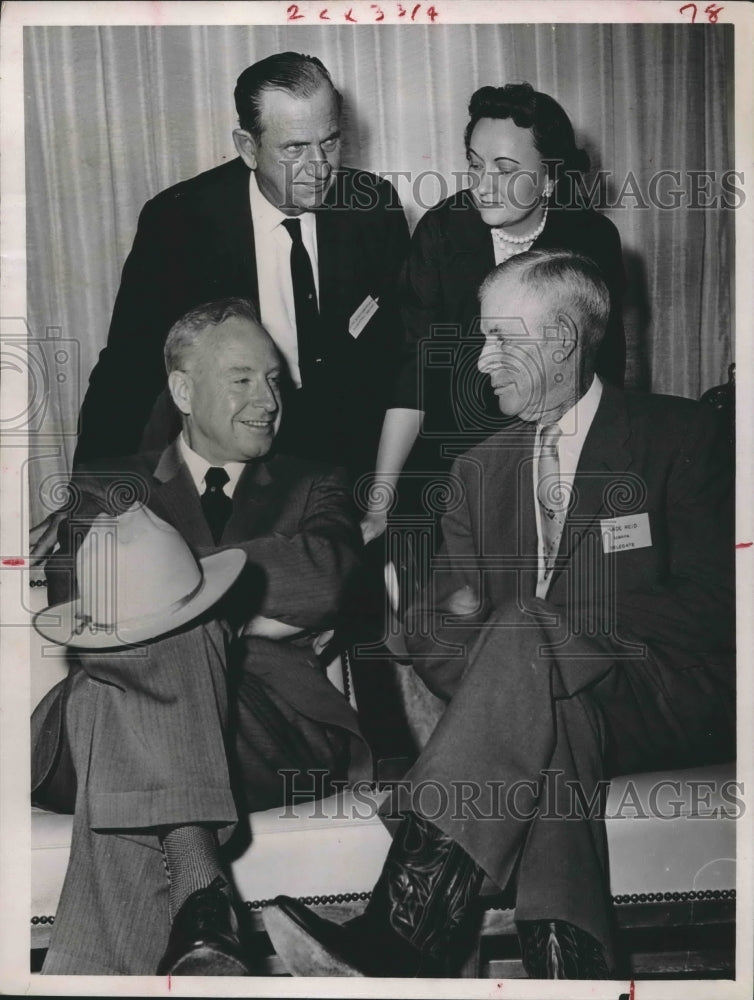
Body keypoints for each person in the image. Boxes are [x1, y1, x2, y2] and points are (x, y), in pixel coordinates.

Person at [261, 250, 734, 979]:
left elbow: (715, 606)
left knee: (523, 629)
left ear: (564, 341)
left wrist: (542, 628)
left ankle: (405, 923)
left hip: (662, 696)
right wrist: (516, 670)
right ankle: (566, 963)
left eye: (501, 340)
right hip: (543, 715)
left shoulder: (682, 437)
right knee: (549, 720)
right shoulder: (477, 471)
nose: (483, 363)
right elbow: (436, 635)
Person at [30, 298, 368, 975]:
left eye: (275, 379)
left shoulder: (317, 482)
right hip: (99, 726)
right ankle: (203, 904)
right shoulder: (106, 484)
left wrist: (173, 585)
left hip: (263, 724)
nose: (268, 399)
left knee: (121, 698)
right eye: (242, 379)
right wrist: (239, 606)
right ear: (183, 390)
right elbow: (90, 612)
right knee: (124, 684)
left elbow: (330, 579)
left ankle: (190, 903)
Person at [72, 51, 409, 478]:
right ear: (248, 148)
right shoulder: (179, 222)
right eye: (295, 148)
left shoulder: (372, 205)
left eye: (330, 141)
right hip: (238, 461)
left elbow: (401, 349)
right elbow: (128, 367)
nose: (320, 167)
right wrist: (90, 489)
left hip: (357, 455)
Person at [361, 82, 626, 545]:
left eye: (505, 170)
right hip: (454, 450)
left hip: (558, 445)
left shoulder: (591, 239)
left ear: (550, 177)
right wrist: (380, 502)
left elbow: (604, 370)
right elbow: (414, 373)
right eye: (474, 165)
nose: (483, 186)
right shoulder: (442, 233)